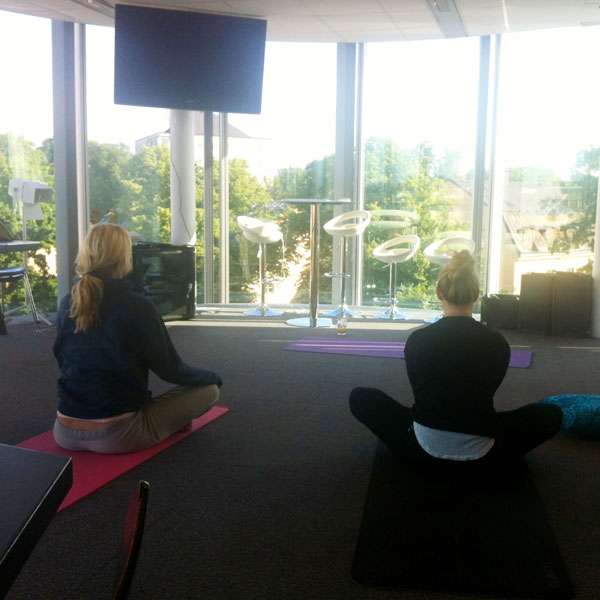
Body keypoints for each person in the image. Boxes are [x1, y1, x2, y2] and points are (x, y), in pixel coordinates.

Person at [349, 249, 562, 467]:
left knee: (360, 397)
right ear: (476, 295)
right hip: (485, 455)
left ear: (438, 293)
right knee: (551, 414)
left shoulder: (418, 340)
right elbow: (487, 390)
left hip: (419, 451)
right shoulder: (498, 343)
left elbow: (421, 392)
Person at [53, 222, 222, 454]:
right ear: (124, 257)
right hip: (118, 435)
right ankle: (168, 424)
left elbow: (64, 361)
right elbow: (170, 370)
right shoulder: (138, 306)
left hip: (63, 431)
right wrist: (212, 377)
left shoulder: (67, 302)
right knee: (209, 390)